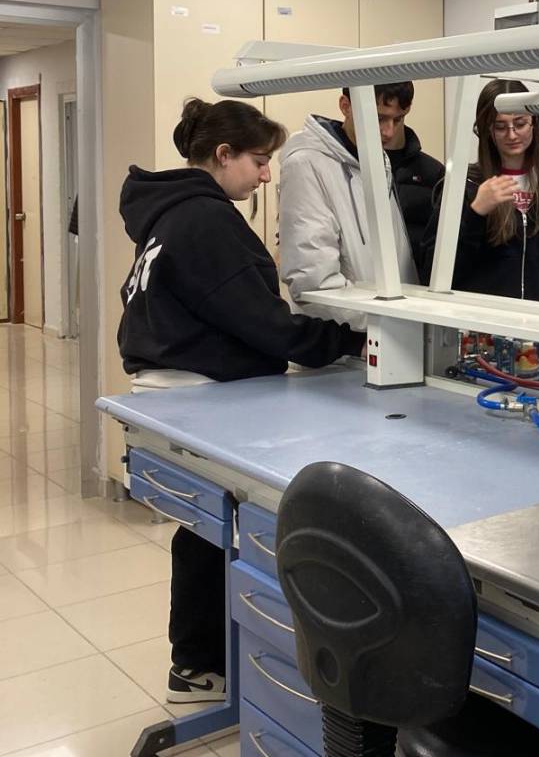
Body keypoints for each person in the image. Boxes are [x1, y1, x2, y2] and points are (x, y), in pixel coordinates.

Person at [118, 98, 363, 704]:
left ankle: (197, 664)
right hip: (201, 396)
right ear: (223, 155)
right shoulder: (206, 219)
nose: (266, 175)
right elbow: (267, 325)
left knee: (203, 529)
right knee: (225, 529)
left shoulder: (170, 211)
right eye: (258, 160)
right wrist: (349, 340)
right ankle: (210, 664)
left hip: (172, 393)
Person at [423, 79, 539, 306]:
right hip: (483, 321)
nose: (512, 135)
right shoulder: (463, 185)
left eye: (520, 123)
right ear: (486, 130)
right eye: (500, 126)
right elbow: (433, 271)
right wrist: (475, 213)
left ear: (534, 123)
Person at [277, 82, 436, 324]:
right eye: (379, 118)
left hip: (388, 331)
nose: (389, 132)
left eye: (398, 119)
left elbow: (398, 265)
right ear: (346, 106)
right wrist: (383, 325)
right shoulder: (305, 164)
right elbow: (312, 281)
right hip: (344, 338)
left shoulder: (377, 159)